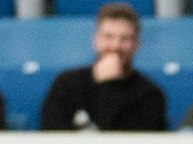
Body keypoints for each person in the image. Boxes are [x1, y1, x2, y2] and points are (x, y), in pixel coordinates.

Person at [39, 2, 166, 132]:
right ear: (96, 40)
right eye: (108, 37)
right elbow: (50, 135)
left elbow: (123, 139)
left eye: (125, 39)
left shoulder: (149, 95)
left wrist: (109, 85)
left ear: (136, 44)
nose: (116, 45)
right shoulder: (66, 85)